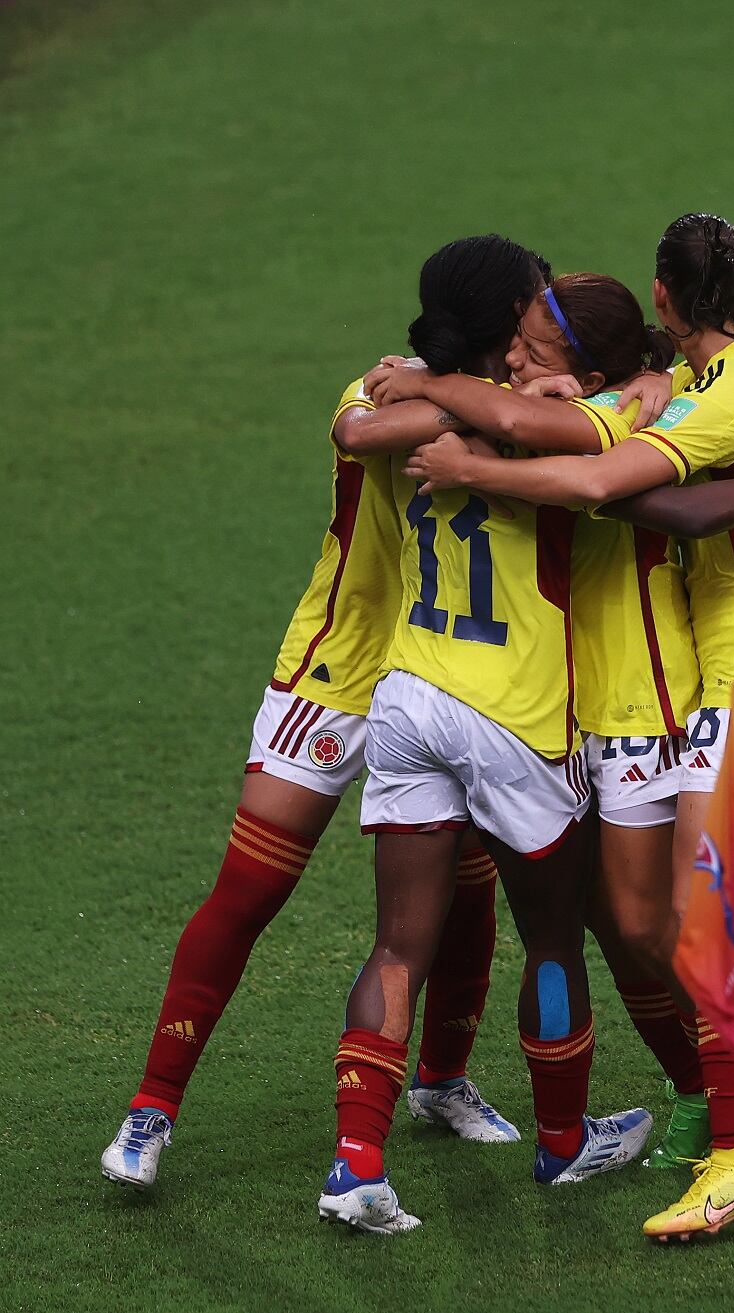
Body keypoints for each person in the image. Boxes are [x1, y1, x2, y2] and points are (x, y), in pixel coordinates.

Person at [399, 213, 734, 1241]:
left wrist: (473, 462)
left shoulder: (711, 404)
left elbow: (613, 487)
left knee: (701, 924)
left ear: (665, 301)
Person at [95, 236, 551, 1192]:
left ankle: (443, 1080)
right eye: (533, 306)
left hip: (444, 680)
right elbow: (359, 435)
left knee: (466, 892)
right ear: (504, 318)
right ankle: (151, 1107)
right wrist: (474, 396)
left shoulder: (489, 399)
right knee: (250, 889)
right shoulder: (377, 394)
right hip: (337, 674)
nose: (540, 324)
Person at [318, 250, 657, 1234]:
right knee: (552, 936)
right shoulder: (556, 422)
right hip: (519, 714)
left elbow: (367, 424)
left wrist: (426, 389)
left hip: (412, 692)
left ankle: (354, 1165)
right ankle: (562, 1142)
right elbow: (615, 435)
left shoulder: (410, 410)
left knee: (396, 942)